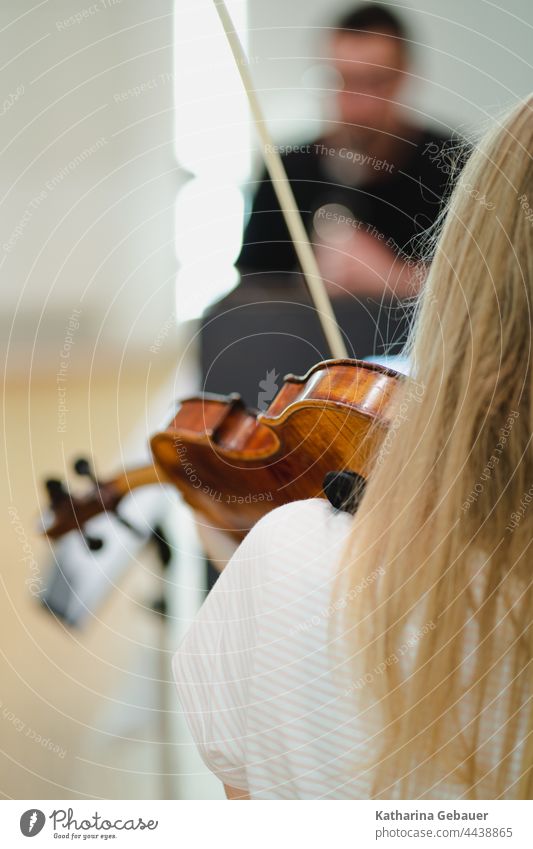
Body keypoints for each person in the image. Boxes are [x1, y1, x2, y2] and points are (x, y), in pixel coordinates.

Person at [173, 94, 533, 800]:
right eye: (349, 78)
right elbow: (254, 289)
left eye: (377, 80)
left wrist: (391, 278)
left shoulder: (434, 157)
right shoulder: (295, 165)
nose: (360, 96)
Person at [238, 3, 460, 301]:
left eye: (373, 82)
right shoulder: (287, 170)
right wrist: (307, 286)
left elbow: (491, 288)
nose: (356, 101)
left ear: (404, 77)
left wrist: (397, 279)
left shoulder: (454, 164)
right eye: (340, 80)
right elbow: (249, 293)